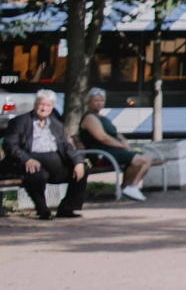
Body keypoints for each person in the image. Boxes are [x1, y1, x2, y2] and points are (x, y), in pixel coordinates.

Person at [4, 90, 85, 219]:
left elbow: (65, 145)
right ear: (35, 104)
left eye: (48, 105)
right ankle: (43, 210)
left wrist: (78, 161)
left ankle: (66, 209)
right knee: (35, 175)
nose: (44, 108)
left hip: (55, 164)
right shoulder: (20, 121)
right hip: (31, 160)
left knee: (82, 172)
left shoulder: (56, 124)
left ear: (52, 107)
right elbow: (10, 144)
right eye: (41, 104)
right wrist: (27, 159)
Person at [77, 88, 153, 203]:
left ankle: (130, 187)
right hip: (102, 154)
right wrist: (121, 146)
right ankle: (129, 188)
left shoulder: (102, 117)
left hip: (112, 151)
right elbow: (102, 137)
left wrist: (124, 141)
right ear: (89, 102)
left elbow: (115, 133)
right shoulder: (90, 117)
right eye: (96, 100)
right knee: (139, 160)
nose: (99, 103)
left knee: (147, 158)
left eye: (101, 100)